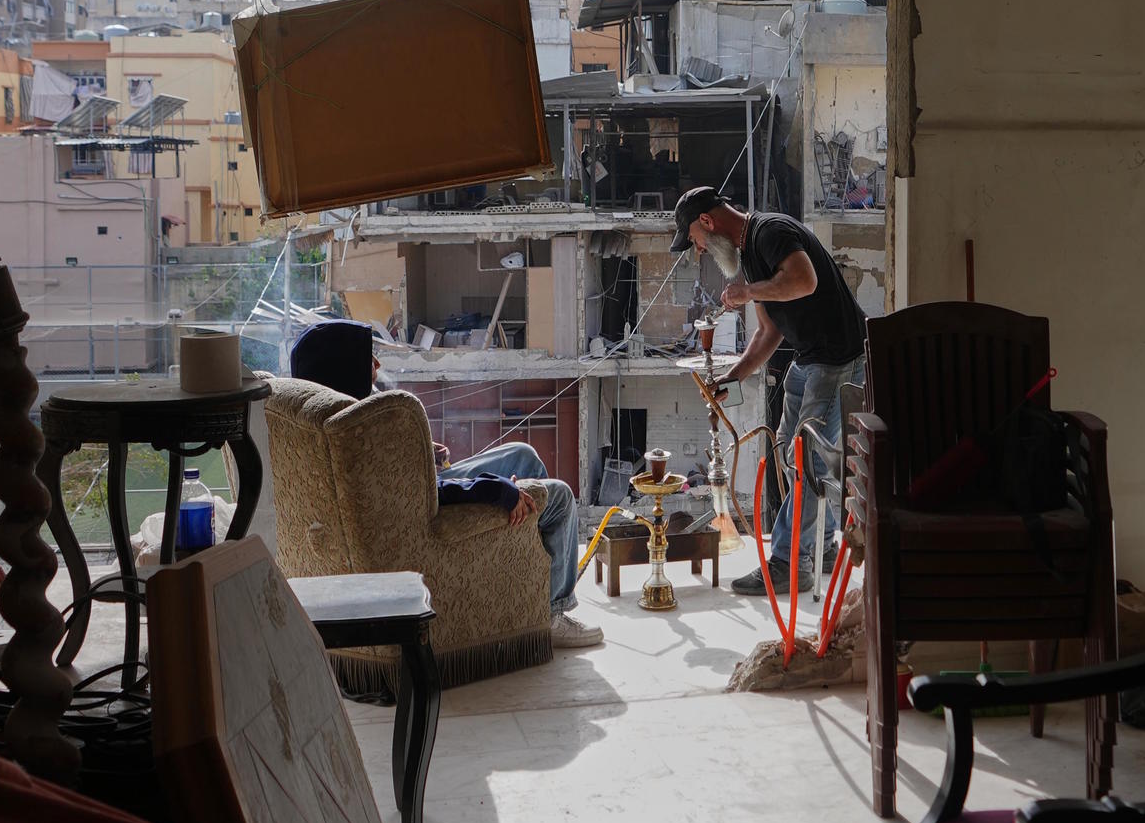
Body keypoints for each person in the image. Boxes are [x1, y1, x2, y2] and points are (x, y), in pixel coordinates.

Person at [286, 319, 600, 649]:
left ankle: (537, 582)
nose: (378, 364)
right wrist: (496, 489)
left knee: (523, 456)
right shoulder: (362, 427)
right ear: (342, 367)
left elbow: (402, 481)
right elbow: (422, 496)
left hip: (424, 487)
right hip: (431, 504)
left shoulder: (335, 414)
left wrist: (420, 453)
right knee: (559, 496)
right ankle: (551, 612)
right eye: (367, 358)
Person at [674, 186, 869, 597]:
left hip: (837, 358)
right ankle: (821, 545)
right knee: (789, 452)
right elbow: (768, 331)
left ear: (707, 222)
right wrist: (732, 378)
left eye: (696, 240)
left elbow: (804, 280)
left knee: (806, 458)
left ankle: (789, 563)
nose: (700, 250)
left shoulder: (771, 232)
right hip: (809, 357)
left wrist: (748, 292)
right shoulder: (748, 254)